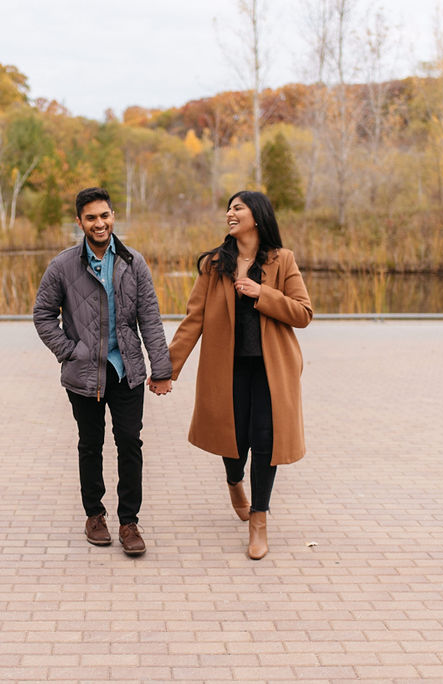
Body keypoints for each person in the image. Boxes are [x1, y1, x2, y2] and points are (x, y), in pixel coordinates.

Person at [153, 190, 312, 559]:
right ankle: (233, 480)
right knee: (233, 437)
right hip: (227, 368)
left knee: (266, 440)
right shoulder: (214, 265)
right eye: (228, 208)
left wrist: (262, 293)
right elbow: (193, 320)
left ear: (257, 216)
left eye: (237, 207)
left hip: (272, 370)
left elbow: (303, 313)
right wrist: (167, 370)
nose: (229, 213)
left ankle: (259, 520)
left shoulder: (282, 261)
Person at [33, 187, 173, 557]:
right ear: (79, 222)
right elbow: (43, 315)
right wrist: (69, 351)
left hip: (126, 371)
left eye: (105, 216)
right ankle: (95, 515)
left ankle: (129, 522)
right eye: (91, 217)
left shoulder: (133, 261)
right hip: (84, 374)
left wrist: (161, 369)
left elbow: (151, 319)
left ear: (113, 217)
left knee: (130, 442)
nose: (100, 223)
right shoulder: (62, 265)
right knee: (90, 445)